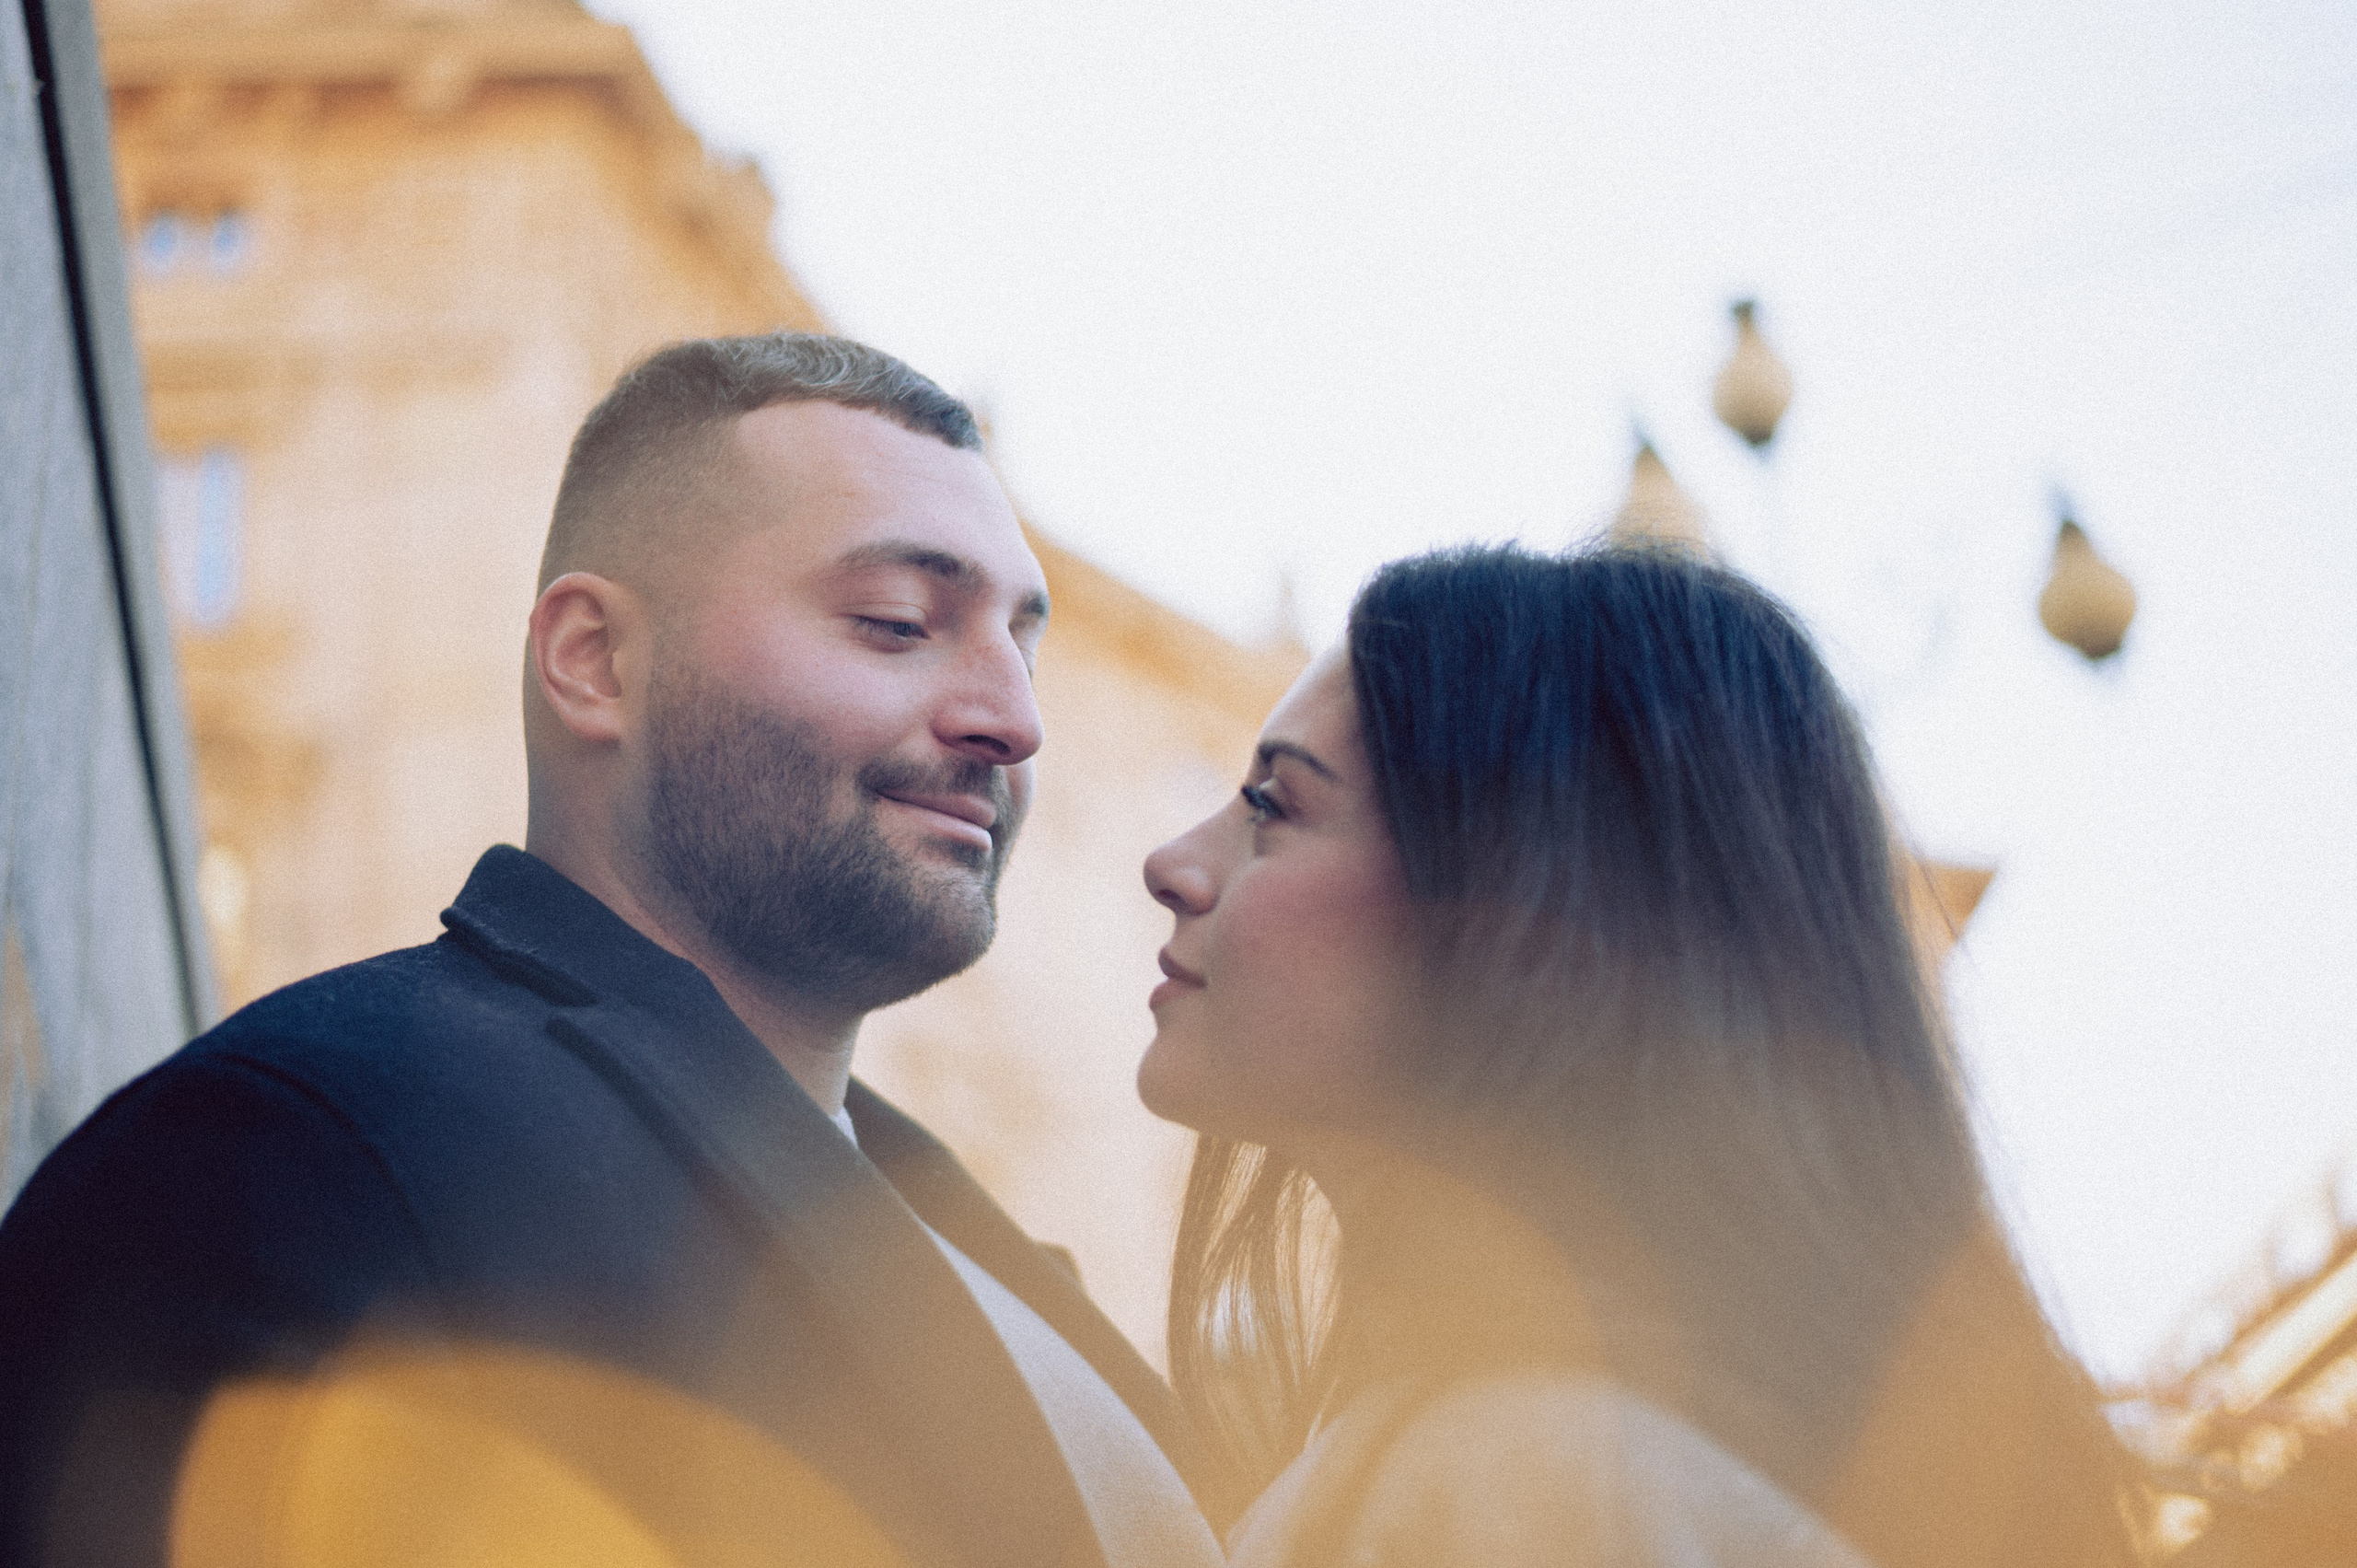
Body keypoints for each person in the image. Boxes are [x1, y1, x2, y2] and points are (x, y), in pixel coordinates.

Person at [0, 333, 1226, 1568]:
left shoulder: (961, 1220)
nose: (1013, 718)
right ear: (594, 660)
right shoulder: (293, 1160)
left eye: (1024, 643)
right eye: (899, 622)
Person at [1140, 543, 2142, 1568]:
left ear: (1523, 898)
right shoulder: (1527, 1456)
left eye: (1273, 806)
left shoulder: (1525, 1484)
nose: (1170, 863)